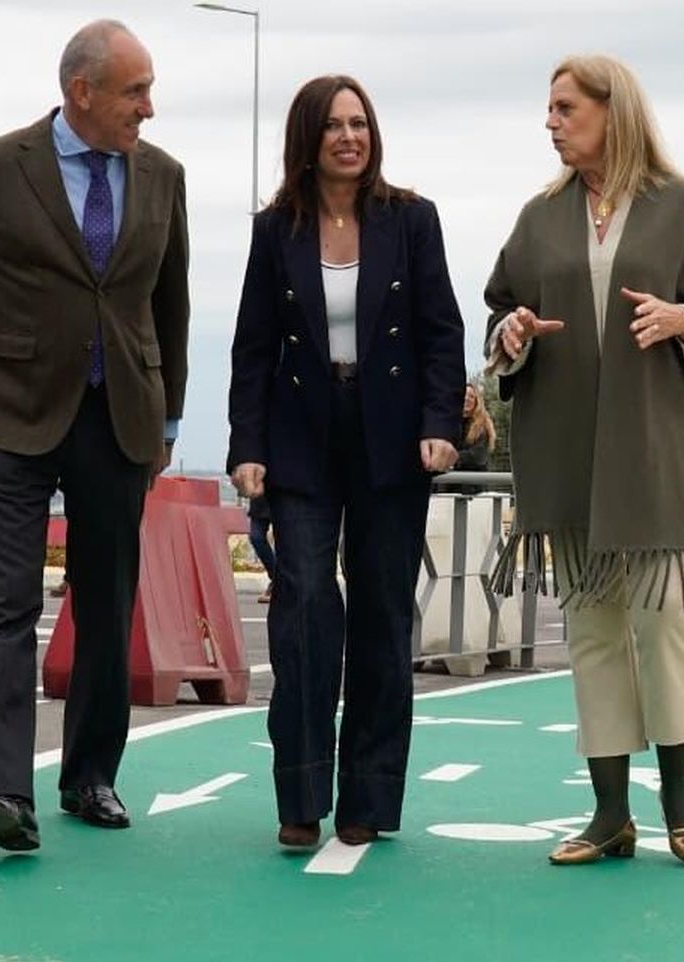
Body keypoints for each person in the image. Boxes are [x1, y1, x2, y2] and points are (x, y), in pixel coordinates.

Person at [0, 19, 189, 852]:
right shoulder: (1, 168)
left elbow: (170, 305)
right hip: (11, 415)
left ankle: (90, 776)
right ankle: (7, 794)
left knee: (106, 603)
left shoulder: (163, 176)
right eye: (136, 91)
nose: (150, 106)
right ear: (84, 92)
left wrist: (169, 415)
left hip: (120, 418)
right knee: (5, 606)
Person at [484, 54, 684, 867]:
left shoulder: (682, 208)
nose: (551, 121)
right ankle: (610, 814)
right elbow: (501, 307)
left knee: (666, 626)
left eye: (565, 107)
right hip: (567, 457)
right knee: (593, 633)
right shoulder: (540, 217)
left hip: (657, 458)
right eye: (550, 108)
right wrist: (511, 333)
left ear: (614, 111)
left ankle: (678, 795)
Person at [227, 75, 465, 850]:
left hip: (391, 435)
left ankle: (368, 798)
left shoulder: (411, 221)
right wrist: (247, 447)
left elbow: (441, 332)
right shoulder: (276, 231)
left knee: (382, 615)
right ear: (309, 137)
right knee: (303, 610)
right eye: (333, 125)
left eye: (359, 123)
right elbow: (254, 347)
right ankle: (300, 797)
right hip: (300, 435)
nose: (349, 137)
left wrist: (439, 423)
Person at [453, 382, 496, 474]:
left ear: (477, 401)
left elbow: (478, 457)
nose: (466, 399)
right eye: (464, 395)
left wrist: (451, 456)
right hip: (449, 482)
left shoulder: (483, 426)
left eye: (471, 396)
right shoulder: (450, 423)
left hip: (473, 482)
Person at [247, 493, 276, 604]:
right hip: (259, 496)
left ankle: (277, 585)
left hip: (283, 494)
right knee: (256, 538)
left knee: (284, 541)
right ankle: (277, 578)